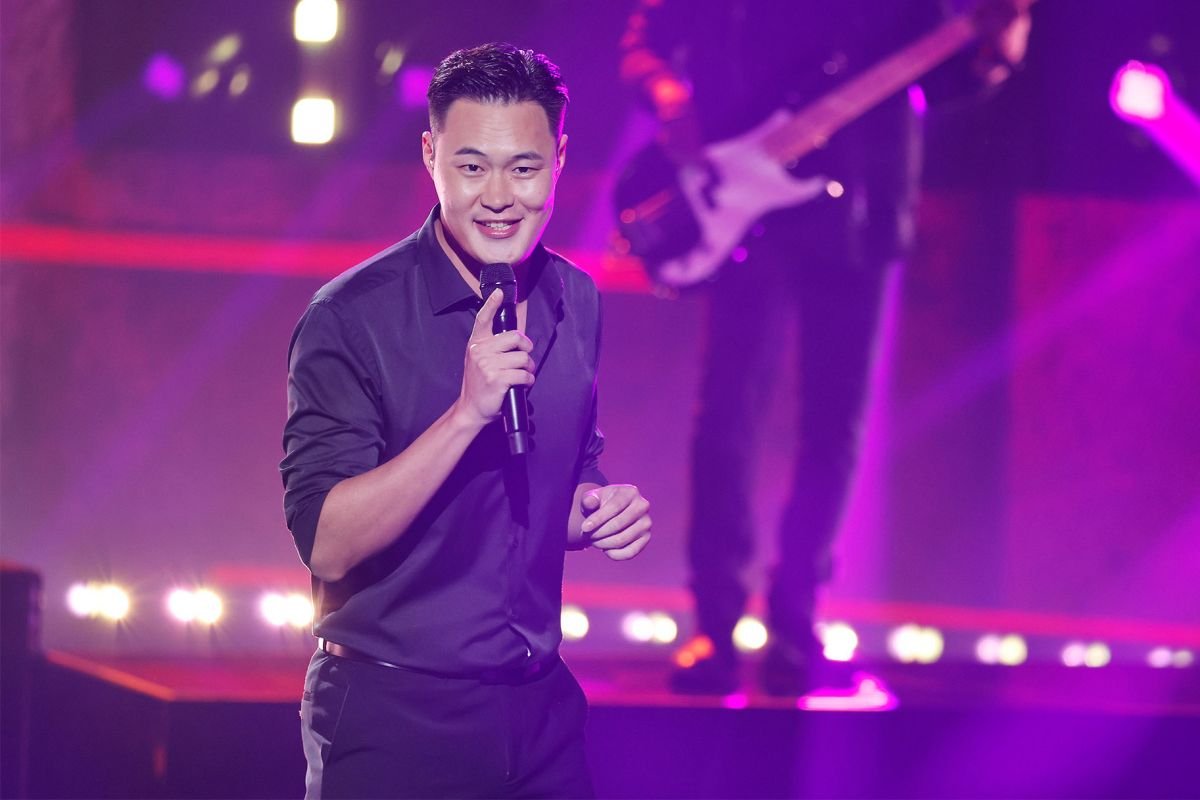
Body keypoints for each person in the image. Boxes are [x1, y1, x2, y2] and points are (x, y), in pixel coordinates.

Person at [618, 0, 1030, 696]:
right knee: (727, 420)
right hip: (746, 196)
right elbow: (647, 39)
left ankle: (796, 623)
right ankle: (715, 625)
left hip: (862, 211)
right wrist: (667, 94)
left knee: (834, 429)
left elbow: (933, 81)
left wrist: (993, 55)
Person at [281, 42, 652, 798]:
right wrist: (465, 414)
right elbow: (327, 541)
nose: (499, 197)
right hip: (395, 714)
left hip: (541, 713)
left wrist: (595, 509)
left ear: (559, 160)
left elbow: (562, 476)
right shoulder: (352, 317)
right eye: (472, 167)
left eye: (524, 168)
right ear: (431, 156)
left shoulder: (575, 300)